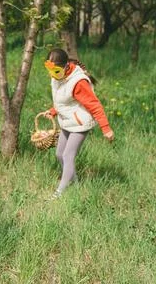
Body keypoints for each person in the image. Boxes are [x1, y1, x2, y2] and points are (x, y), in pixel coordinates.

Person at [43, 49, 114, 199]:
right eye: (49, 70)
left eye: (55, 70)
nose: (51, 74)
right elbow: (65, 101)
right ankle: (75, 184)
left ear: (66, 66)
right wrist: (53, 111)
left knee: (68, 156)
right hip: (67, 121)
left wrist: (106, 128)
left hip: (80, 123)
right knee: (59, 154)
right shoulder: (57, 76)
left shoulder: (78, 82)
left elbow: (95, 105)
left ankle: (59, 192)